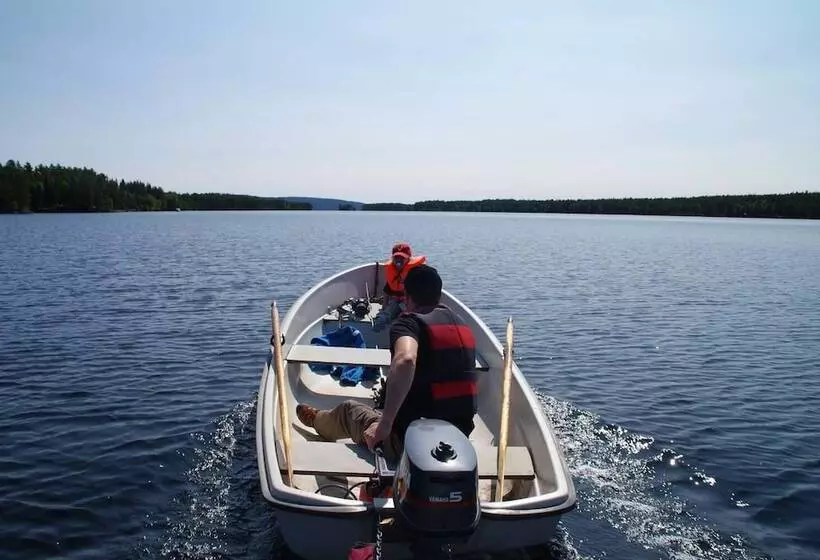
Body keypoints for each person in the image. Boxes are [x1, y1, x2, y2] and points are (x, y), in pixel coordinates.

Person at [296, 264, 478, 461]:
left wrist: (384, 425)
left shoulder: (409, 323)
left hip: (411, 444)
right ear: (439, 296)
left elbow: (406, 359)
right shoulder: (462, 325)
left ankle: (318, 421)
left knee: (349, 410)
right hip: (458, 441)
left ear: (407, 297)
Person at [372, 242, 427, 332]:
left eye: (402, 258)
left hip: (411, 303)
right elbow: (387, 291)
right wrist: (384, 307)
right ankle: (378, 327)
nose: (399, 260)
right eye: (396, 257)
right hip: (396, 301)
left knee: (407, 317)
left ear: (408, 259)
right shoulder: (392, 271)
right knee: (386, 314)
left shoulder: (416, 271)